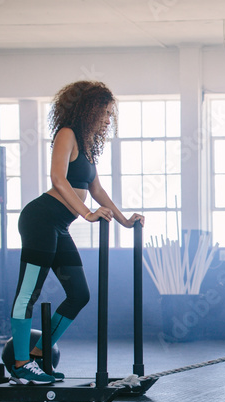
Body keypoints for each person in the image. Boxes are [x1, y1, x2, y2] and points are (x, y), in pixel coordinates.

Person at [8, 81, 144, 385]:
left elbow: (96, 189)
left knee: (79, 294)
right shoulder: (66, 134)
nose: (109, 120)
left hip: (58, 226)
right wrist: (87, 214)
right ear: (89, 109)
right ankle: (20, 363)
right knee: (28, 294)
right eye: (105, 113)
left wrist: (124, 221)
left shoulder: (87, 146)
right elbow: (58, 179)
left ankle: (40, 355)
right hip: (41, 220)